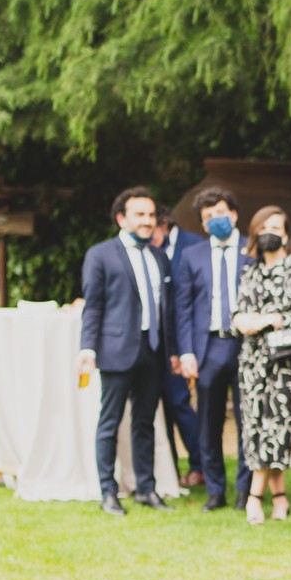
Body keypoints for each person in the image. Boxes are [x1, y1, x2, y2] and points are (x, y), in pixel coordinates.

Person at [78, 187, 174, 515]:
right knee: (110, 422)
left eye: (151, 215)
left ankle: (146, 489)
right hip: (117, 350)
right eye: (140, 215)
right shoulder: (101, 254)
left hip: (153, 350)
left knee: (144, 422)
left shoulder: (160, 256)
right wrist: (88, 348)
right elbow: (93, 307)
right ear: (122, 218)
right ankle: (108, 491)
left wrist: (172, 350)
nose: (147, 221)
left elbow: (167, 308)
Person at [232, 207, 291, 524]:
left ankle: (254, 497)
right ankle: (280, 497)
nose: (271, 231)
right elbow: (239, 314)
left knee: (278, 427)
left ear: (286, 233)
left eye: (277, 226)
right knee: (254, 427)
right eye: (264, 226)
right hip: (252, 362)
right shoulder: (250, 272)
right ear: (255, 233)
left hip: (287, 361)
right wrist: (244, 321)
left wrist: (271, 319)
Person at [171, 187, 256, 512]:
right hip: (208, 345)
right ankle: (215, 489)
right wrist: (187, 351)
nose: (215, 220)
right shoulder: (192, 256)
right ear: (203, 225)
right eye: (208, 217)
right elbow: (183, 308)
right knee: (209, 421)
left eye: (220, 213)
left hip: (247, 345)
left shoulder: (253, 249)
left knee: (248, 420)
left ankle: (245, 491)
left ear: (233, 214)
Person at [146, 209, 202, 485]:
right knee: (161, 409)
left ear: (164, 224)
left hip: (181, 342)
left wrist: (180, 350)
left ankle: (199, 464)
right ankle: (169, 468)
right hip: (154, 344)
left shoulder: (194, 246)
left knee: (180, 403)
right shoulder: (149, 250)